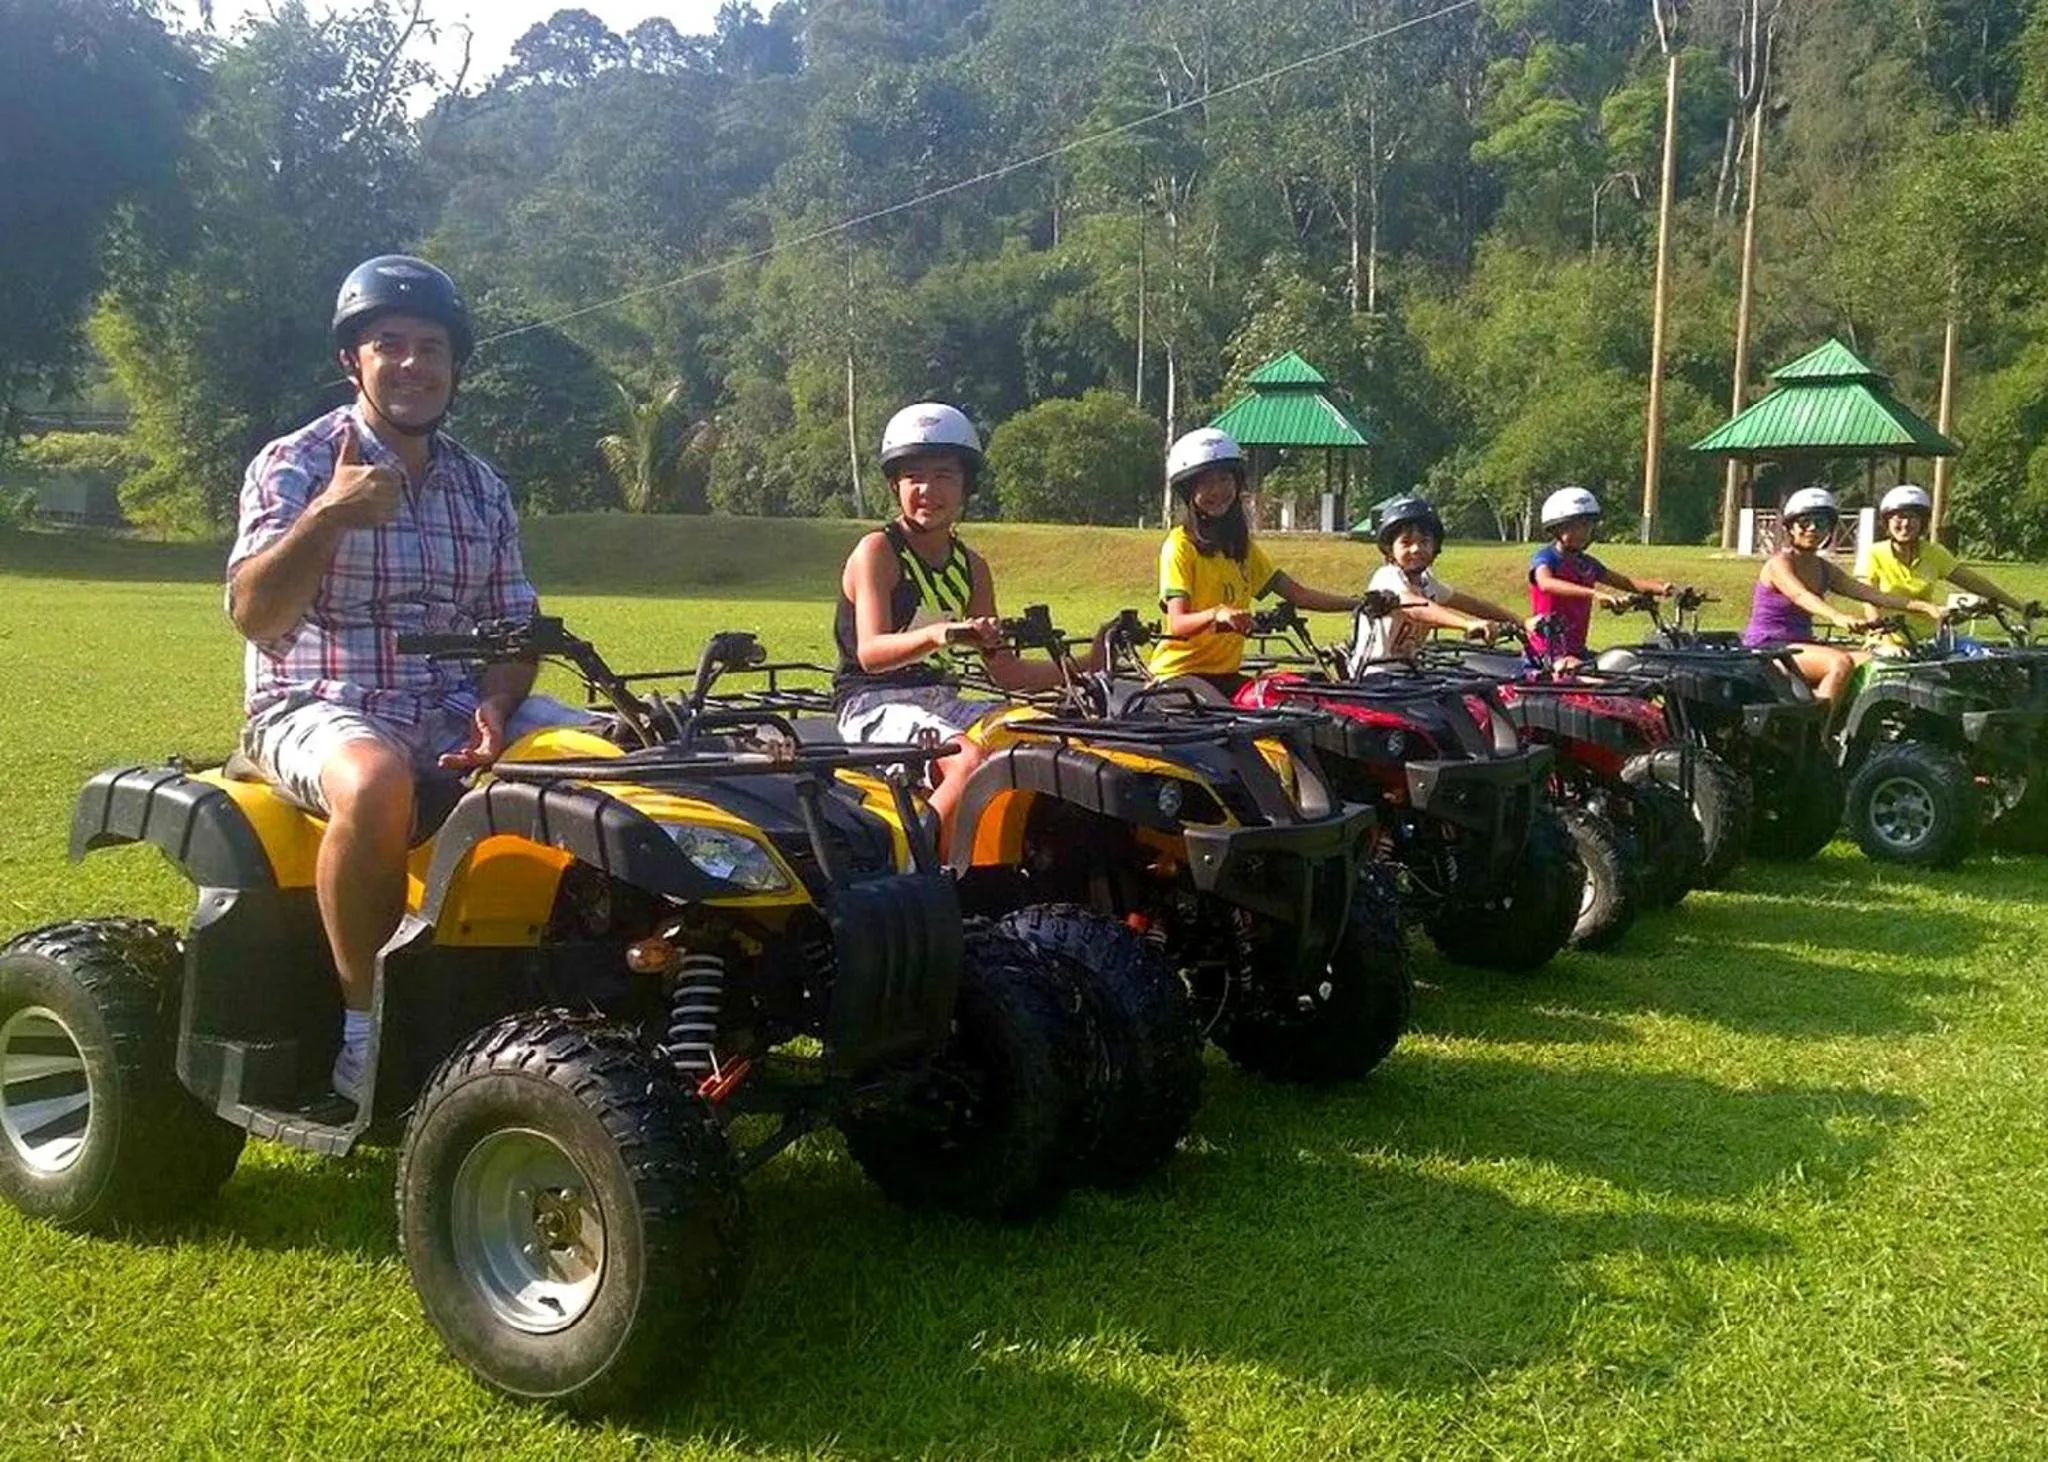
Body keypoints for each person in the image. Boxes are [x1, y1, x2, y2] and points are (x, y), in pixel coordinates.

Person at [226, 255, 591, 1105]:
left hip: (454, 704)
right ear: (352, 360)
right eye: (389, 344)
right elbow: (254, 613)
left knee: (615, 755)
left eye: (432, 347)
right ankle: (365, 1030)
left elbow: (512, 626)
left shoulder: (480, 486)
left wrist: (497, 704)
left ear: (455, 366)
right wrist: (328, 516)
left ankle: (586, 989)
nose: (412, 364)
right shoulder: (295, 464)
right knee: (376, 783)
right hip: (318, 700)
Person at [834, 402, 1096, 847]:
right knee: (967, 759)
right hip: (872, 704)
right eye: (913, 476)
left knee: (1043, 733)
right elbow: (871, 654)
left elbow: (1006, 672)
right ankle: (917, 864)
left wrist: (1088, 664)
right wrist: (941, 634)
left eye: (944, 476)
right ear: (895, 485)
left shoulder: (972, 567)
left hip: (941, 699)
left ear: (965, 486)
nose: (928, 490)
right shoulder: (878, 551)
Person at [1148, 428, 1363, 695]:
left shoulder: (1241, 548)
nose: (1217, 490)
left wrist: (1358, 604)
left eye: (1224, 479)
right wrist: (1218, 613)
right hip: (1179, 676)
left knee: (1297, 702)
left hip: (1225, 675)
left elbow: (1298, 594)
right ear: (1189, 491)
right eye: (1206, 483)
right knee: (1236, 723)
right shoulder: (1180, 546)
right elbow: (1178, 623)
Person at [1740, 486, 1949, 701]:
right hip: (1769, 647)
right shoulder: (1779, 563)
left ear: (1829, 529)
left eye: (1821, 523)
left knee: (1878, 661)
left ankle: (1846, 717)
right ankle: (1817, 721)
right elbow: (1801, 596)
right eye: (1804, 523)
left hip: (1803, 644)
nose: (1812, 529)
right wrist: (1837, 617)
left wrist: (1927, 608)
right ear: (1790, 528)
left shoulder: (1824, 568)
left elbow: (1873, 595)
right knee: (1839, 663)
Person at [1347, 495, 1523, 675]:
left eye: (1424, 542)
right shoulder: (1387, 577)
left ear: (1435, 547)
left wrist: (1520, 622)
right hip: (1374, 675)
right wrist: (1466, 624)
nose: (1416, 549)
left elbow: (1472, 604)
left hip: (1409, 674)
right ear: (1389, 549)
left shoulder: (1427, 583)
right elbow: (1414, 607)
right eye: (1406, 542)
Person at [1857, 483, 2038, 643]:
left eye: (1912, 517)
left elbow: (1974, 582)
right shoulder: (1874, 553)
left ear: (1922, 522)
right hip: (1888, 640)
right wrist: (1885, 641)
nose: (1905, 524)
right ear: (1887, 522)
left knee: (1978, 656)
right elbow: (1867, 599)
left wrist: (2018, 606)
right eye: (1898, 517)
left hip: (1930, 639)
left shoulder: (1934, 553)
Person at [1527, 486, 1673, 666]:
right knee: (1600, 680)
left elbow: (1625, 582)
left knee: (1628, 664)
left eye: (1587, 526)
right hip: (1547, 652)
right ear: (1556, 528)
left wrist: (1664, 589)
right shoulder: (1547, 558)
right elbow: (1545, 583)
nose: (1583, 532)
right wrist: (1594, 593)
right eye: (1576, 526)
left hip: (1577, 650)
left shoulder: (1586, 564)